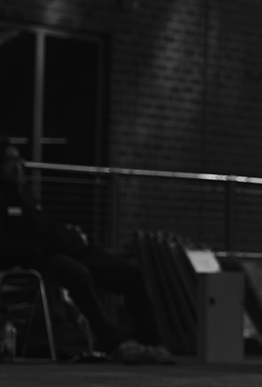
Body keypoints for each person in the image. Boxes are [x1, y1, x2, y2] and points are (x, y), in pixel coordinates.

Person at [0, 142, 173, 364]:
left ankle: (151, 343)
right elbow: (8, 246)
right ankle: (114, 344)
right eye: (9, 161)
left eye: (19, 160)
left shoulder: (26, 196)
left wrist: (70, 235)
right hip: (38, 258)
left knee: (130, 273)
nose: (17, 166)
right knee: (77, 274)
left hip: (65, 249)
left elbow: (48, 228)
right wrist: (42, 248)